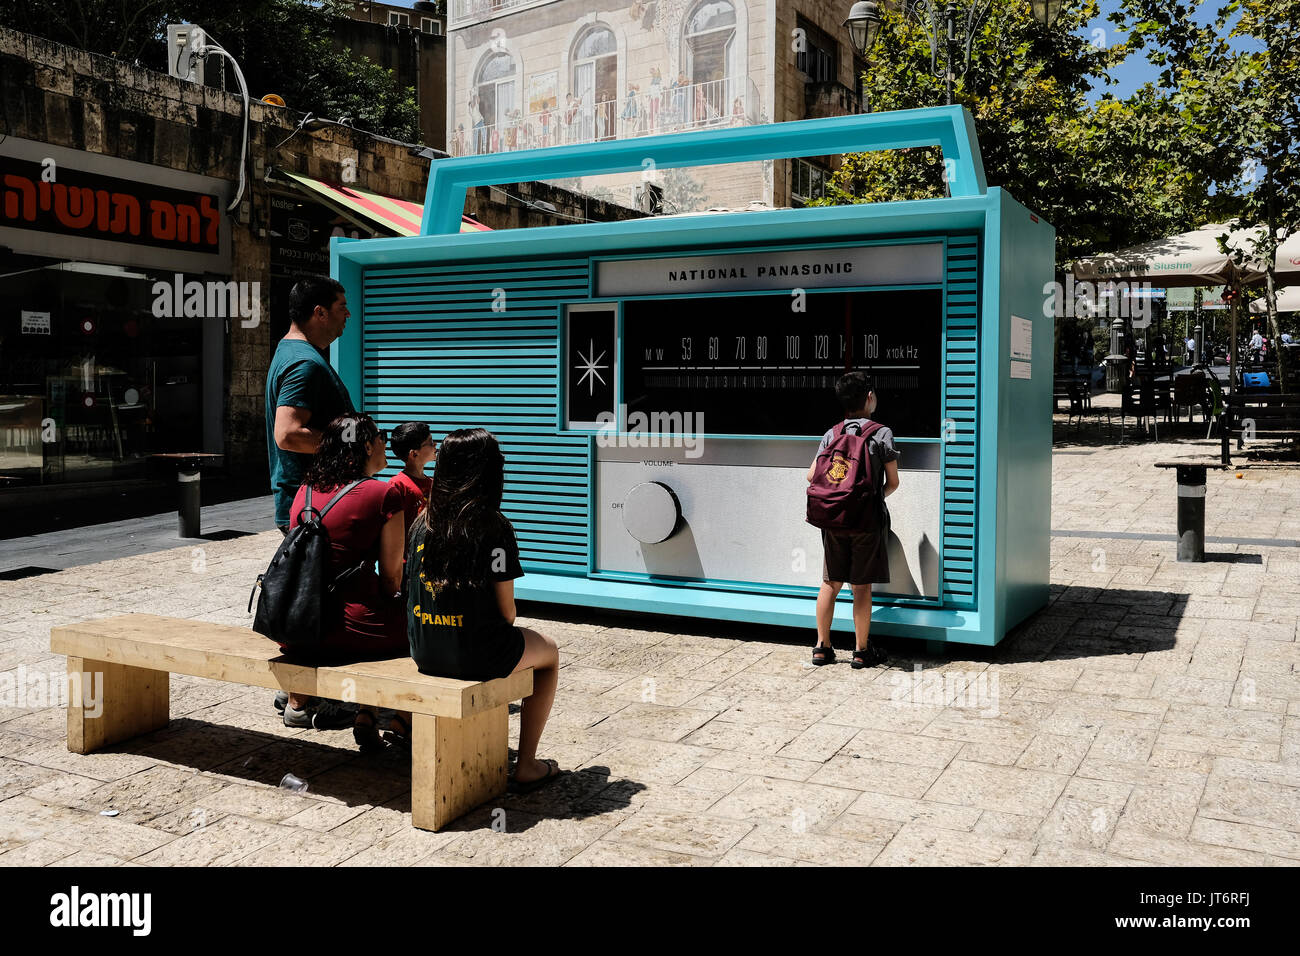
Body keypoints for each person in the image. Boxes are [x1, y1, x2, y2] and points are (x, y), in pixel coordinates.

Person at [406, 428, 562, 792]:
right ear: (490, 472)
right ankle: (527, 765)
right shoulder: (493, 527)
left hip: (424, 650)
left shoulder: (420, 523)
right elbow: (507, 614)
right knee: (550, 653)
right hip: (476, 654)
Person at [284, 413, 411, 750]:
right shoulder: (383, 495)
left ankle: (367, 714)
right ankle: (404, 720)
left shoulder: (307, 489)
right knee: (425, 627)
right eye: (381, 436)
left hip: (298, 626)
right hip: (348, 627)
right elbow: (391, 580)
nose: (386, 443)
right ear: (367, 445)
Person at [806, 372, 899, 669]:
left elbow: (811, 476)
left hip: (834, 520)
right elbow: (894, 482)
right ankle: (861, 651)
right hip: (866, 522)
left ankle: (822, 647)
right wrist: (874, 499)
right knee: (861, 586)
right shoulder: (881, 433)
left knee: (830, 582)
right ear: (869, 397)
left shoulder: (831, 434)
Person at [266, 276, 354, 535]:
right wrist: (355, 445)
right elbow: (288, 434)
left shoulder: (294, 353)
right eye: (341, 306)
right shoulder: (304, 363)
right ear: (320, 313)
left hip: (313, 506)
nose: (348, 313)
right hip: (314, 509)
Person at [388, 421, 436, 539]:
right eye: (430, 443)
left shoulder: (434, 483)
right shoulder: (397, 485)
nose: (435, 444)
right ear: (414, 454)